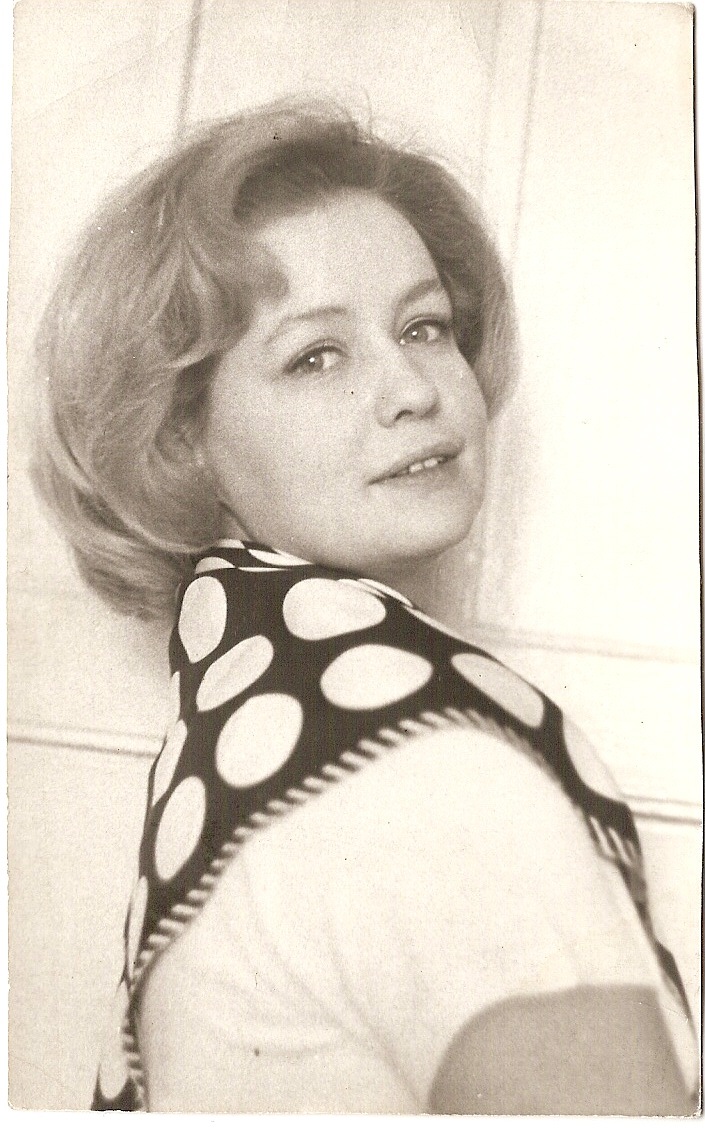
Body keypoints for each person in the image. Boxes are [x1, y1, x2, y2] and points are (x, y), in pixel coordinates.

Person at [32, 99, 698, 1114]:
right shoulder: (427, 772)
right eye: (316, 355)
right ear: (181, 440)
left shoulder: (254, 720)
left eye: (424, 326)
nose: (415, 389)